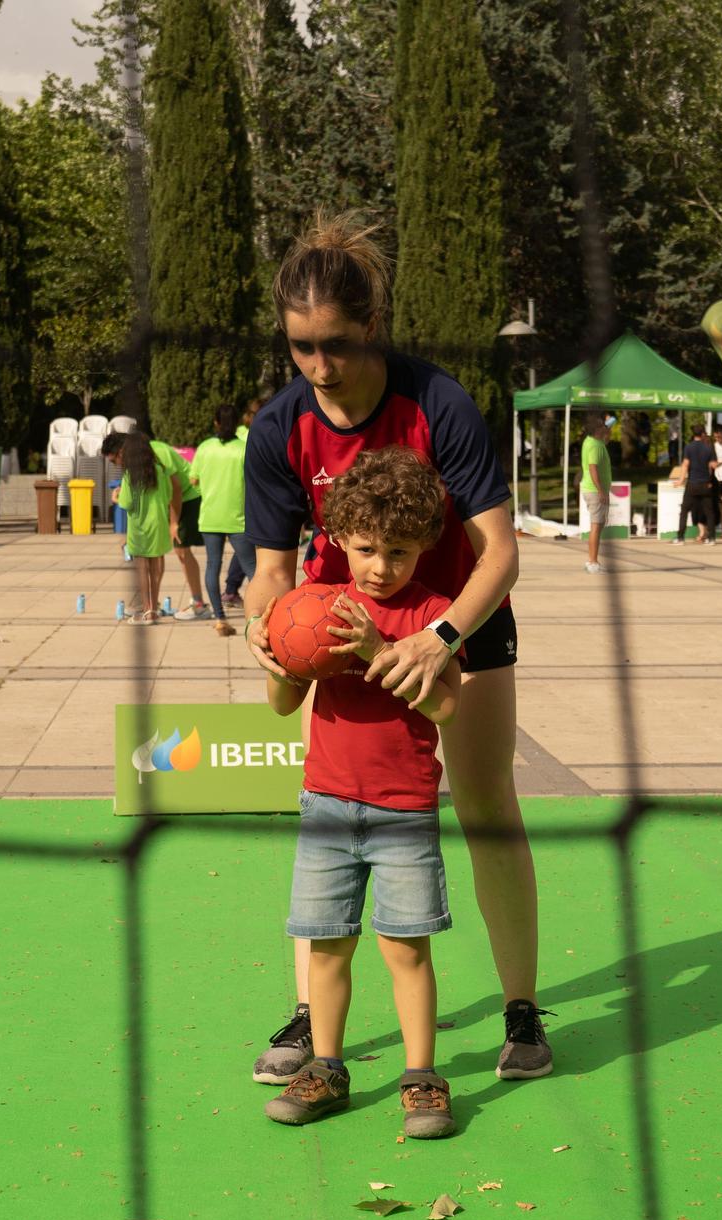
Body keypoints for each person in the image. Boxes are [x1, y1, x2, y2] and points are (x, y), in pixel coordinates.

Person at [244, 211, 549, 1086]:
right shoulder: (281, 429)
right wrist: (266, 633)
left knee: (486, 797)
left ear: (371, 325)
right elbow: (269, 572)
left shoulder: (438, 403)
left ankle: (520, 1009)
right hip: (345, 630)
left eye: (334, 343)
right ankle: (313, 1020)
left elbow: (502, 552)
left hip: (461, 617)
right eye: (300, 345)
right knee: (334, 808)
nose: (318, 365)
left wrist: (440, 634)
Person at [260, 449, 462, 1138]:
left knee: (406, 948)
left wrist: (380, 649)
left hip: (403, 807)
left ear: (426, 544)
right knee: (327, 946)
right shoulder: (317, 607)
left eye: (400, 551)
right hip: (326, 803)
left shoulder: (433, 615)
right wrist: (280, 661)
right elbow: (284, 704)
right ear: (339, 537)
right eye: (368, 548)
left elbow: (445, 708)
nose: (381, 567)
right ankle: (326, 1067)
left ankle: (423, 1076)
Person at [102, 429, 184, 624]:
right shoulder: (160, 470)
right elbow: (167, 496)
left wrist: (116, 497)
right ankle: (153, 610)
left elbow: (126, 503)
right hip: (159, 526)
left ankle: (146, 609)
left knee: (142, 570)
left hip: (139, 528)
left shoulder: (130, 475)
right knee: (155, 570)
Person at [190, 403, 253, 638]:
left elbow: (193, 481)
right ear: (238, 422)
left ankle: (219, 617)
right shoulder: (244, 448)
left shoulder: (205, 448)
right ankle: (260, 615)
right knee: (253, 569)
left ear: (215, 422)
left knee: (212, 566)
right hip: (239, 517)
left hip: (210, 516)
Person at [223, 399, 263, 608]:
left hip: (236, 502)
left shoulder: (238, 434)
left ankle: (230, 590)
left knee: (244, 548)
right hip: (249, 501)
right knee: (250, 554)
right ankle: (255, 598)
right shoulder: (257, 436)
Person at [164, 436, 209, 619]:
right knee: (181, 551)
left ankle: (199, 604)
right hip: (186, 498)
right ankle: (197, 601)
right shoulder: (157, 450)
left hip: (189, 498)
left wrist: (173, 523)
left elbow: (176, 490)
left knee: (182, 550)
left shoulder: (159, 453)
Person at [578, 412, 612, 573]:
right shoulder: (593, 445)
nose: (605, 428)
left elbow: (607, 439)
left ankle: (593, 560)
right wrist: (601, 490)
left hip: (594, 489)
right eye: (603, 426)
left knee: (598, 525)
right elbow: (593, 468)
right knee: (596, 526)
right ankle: (592, 561)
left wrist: (609, 429)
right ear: (598, 429)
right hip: (594, 490)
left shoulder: (595, 442)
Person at [672, 430, 720, 544]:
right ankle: (712, 538)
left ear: (693, 434)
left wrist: (680, 480)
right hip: (705, 484)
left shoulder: (688, 447)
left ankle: (680, 537)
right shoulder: (709, 448)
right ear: (703, 435)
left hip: (692, 483)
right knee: (709, 512)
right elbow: (714, 465)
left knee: (684, 510)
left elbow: (685, 465)